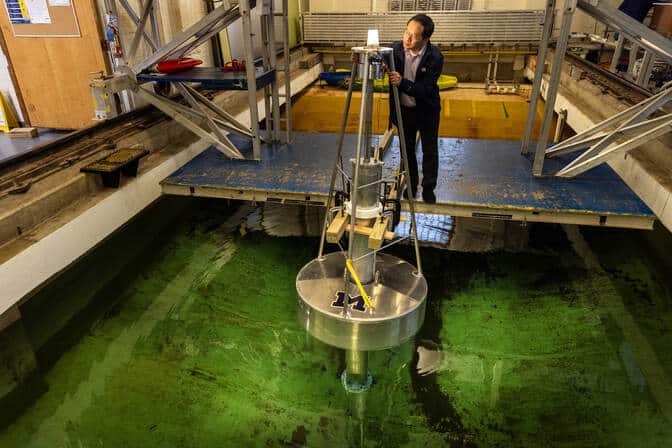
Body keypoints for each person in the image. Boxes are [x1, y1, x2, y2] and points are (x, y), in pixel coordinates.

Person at [388, 14, 444, 204]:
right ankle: (411, 186)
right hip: (404, 110)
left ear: (425, 39)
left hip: (427, 111)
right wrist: (359, 57)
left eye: (414, 35)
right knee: (407, 150)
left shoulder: (435, 57)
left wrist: (402, 83)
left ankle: (428, 188)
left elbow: (426, 90)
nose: (407, 38)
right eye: (406, 32)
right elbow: (376, 55)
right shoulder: (395, 49)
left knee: (429, 150)